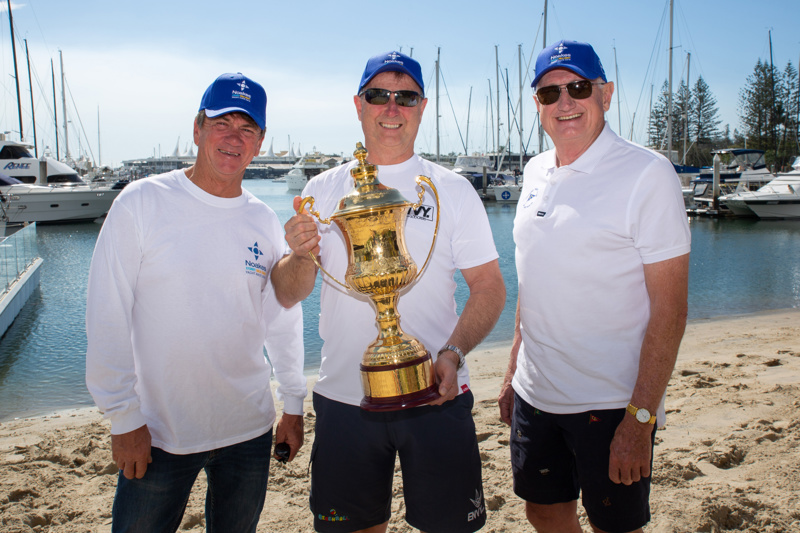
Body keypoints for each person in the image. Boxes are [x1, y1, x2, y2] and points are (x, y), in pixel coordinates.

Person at [271, 51, 506, 533]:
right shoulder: (320, 191)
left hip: (435, 391)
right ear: (359, 105)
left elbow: (488, 288)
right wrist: (299, 255)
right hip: (344, 398)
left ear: (423, 108)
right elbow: (288, 293)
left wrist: (453, 354)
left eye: (407, 97)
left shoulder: (451, 189)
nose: (392, 107)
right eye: (379, 95)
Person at [85, 72, 307, 533]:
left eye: (247, 128)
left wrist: (292, 401)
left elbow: (281, 319)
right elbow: (107, 312)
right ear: (197, 128)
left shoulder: (263, 220)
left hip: (248, 429)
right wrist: (123, 417)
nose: (233, 138)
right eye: (221, 123)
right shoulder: (142, 202)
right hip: (158, 431)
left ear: (260, 142)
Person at [498, 40, 691, 533]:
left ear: (605, 93)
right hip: (535, 393)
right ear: (537, 104)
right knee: (543, 511)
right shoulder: (535, 170)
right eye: (550, 93)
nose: (564, 102)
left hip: (611, 403)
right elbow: (533, 278)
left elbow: (670, 309)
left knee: (614, 526)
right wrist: (512, 372)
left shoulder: (647, 173)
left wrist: (641, 417)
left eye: (579, 88)